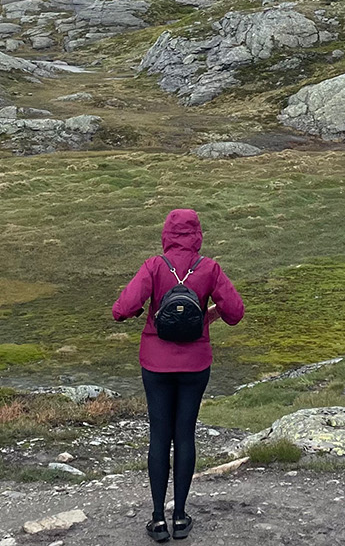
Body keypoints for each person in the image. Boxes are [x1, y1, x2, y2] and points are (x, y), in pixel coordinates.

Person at [112, 209, 244, 542]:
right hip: (196, 365)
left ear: (167, 234)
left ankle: (158, 520)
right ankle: (181, 517)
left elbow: (121, 310)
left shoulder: (154, 266)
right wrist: (207, 314)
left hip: (155, 365)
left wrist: (147, 311)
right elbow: (236, 313)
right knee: (185, 434)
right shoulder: (209, 268)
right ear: (198, 234)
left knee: (159, 436)